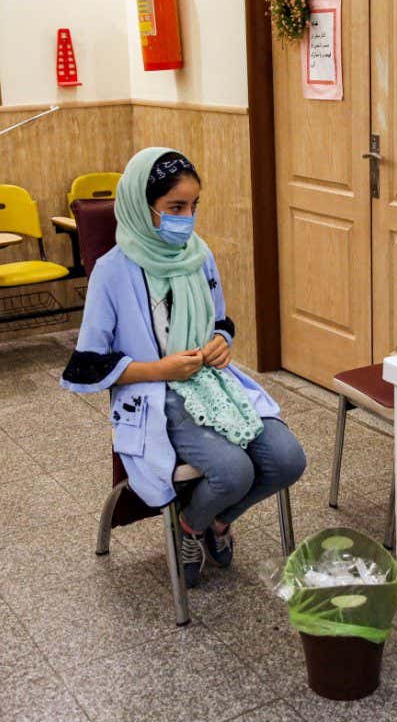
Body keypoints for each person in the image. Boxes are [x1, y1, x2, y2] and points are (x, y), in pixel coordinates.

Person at [61, 148, 306, 587]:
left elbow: (220, 322)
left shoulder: (198, 254)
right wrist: (161, 370)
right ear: (142, 207)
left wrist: (220, 344)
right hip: (157, 394)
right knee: (234, 472)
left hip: (211, 384)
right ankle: (192, 527)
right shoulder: (112, 272)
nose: (187, 218)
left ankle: (207, 522)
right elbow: (87, 365)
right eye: (175, 207)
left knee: (288, 460)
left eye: (194, 206)